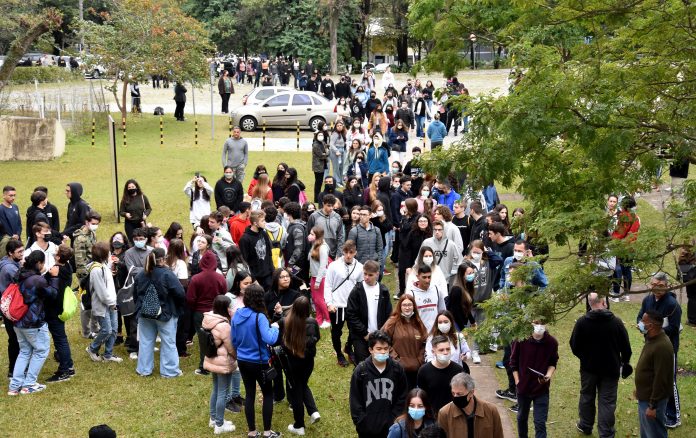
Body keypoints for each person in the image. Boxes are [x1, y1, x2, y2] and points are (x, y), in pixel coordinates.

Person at [570, 292, 632, 436]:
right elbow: (626, 348)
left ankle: (585, 425)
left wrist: (585, 358)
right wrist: (624, 361)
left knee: (587, 396)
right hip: (611, 369)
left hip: (588, 369)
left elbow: (574, 345)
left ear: (589, 303)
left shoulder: (582, 322)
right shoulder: (616, 322)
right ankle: (606, 433)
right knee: (607, 402)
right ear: (604, 302)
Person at [231, 284, 281, 438]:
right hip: (259, 361)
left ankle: (252, 432)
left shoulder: (237, 314)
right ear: (260, 299)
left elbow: (234, 340)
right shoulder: (259, 317)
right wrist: (276, 327)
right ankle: (267, 432)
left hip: (242, 360)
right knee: (267, 394)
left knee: (250, 394)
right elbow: (270, 339)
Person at [7, 251, 58, 395]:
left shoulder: (20, 273)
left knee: (24, 351)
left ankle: (14, 386)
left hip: (18, 320)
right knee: (41, 350)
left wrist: (45, 276)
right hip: (33, 322)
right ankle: (29, 384)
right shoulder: (36, 280)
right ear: (39, 263)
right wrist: (54, 277)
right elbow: (52, 294)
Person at [636, 272, 682, 428]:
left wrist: (656, 330)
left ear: (666, 286)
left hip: (667, 347)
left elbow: (674, 328)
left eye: (660, 286)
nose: (656, 289)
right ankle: (654, 406)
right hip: (650, 345)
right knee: (652, 377)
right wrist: (641, 326)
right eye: (653, 285)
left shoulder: (672, 305)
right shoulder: (647, 300)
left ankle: (674, 415)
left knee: (669, 381)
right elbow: (640, 316)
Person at [133, 248, 185, 377]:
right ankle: (169, 371)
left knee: (145, 341)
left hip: (145, 313)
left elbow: (135, 294)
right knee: (168, 342)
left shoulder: (141, 274)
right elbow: (180, 293)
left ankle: (144, 369)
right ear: (163, 258)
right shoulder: (167, 274)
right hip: (165, 314)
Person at [349, 330, 408, 438]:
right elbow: (355, 400)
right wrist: (362, 423)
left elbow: (402, 396)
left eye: (386, 349)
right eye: (379, 349)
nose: (383, 352)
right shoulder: (361, 371)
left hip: (391, 427)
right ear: (371, 350)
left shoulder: (397, 369)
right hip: (367, 429)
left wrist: (395, 419)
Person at [278, 296, 321, 435]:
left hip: (293, 362)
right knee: (303, 384)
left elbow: (281, 342)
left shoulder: (286, 322)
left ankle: (299, 425)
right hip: (308, 362)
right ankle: (313, 411)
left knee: (296, 391)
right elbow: (317, 338)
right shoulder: (313, 322)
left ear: (293, 308)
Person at [510, 319, 559, 437]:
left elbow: (553, 362)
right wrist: (517, 381)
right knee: (522, 418)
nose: (539, 326)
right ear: (531, 324)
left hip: (541, 389)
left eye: (542, 324)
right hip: (523, 388)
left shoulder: (552, 342)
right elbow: (513, 363)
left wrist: (548, 375)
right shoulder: (521, 340)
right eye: (536, 324)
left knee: (540, 422)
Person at [635, 309, 675, 438]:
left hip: (652, 401)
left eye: (643, 321)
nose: (640, 323)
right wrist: (640, 390)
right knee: (647, 433)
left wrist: (652, 406)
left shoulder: (662, 346)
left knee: (655, 433)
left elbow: (661, 379)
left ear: (651, 326)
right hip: (645, 396)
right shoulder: (652, 339)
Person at [324, 241, 364, 367]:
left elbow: (361, 286)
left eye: (351, 252)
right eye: (346, 252)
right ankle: (339, 354)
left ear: (355, 253)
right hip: (337, 305)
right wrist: (329, 303)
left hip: (352, 305)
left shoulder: (359, 267)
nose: (348, 255)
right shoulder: (334, 266)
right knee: (336, 331)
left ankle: (348, 347)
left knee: (354, 330)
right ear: (343, 251)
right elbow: (328, 285)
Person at [187, 251, 227, 375]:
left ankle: (204, 366)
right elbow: (224, 294)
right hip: (216, 313)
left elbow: (190, 298)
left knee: (203, 339)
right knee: (217, 339)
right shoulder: (220, 278)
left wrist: (194, 309)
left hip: (200, 313)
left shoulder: (196, 279)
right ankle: (216, 363)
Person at [203, 295, 238, 434]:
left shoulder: (209, 319)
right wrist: (237, 357)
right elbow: (231, 348)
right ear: (225, 308)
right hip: (223, 362)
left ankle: (213, 418)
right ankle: (219, 424)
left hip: (212, 359)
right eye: (229, 307)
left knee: (216, 389)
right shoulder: (224, 326)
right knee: (223, 392)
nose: (231, 309)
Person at [346, 260, 393, 363]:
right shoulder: (357, 291)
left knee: (380, 363)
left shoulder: (383, 291)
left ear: (377, 274)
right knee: (362, 365)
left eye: (370, 275)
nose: (366, 277)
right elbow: (351, 314)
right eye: (365, 274)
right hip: (360, 336)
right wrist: (364, 333)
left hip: (379, 335)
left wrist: (383, 331)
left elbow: (389, 314)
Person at [465, 240, 503, 363]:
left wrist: (487, 252)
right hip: (469, 303)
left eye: (479, 252)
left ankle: (475, 351)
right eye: (474, 251)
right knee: (465, 328)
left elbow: (499, 260)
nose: (476, 254)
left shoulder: (488, 263)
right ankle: (463, 351)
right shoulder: (465, 264)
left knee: (479, 327)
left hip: (484, 301)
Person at [85, 242, 123, 363]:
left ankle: (108, 354)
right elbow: (101, 291)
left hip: (112, 302)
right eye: (108, 252)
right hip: (103, 305)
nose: (110, 253)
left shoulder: (103, 265)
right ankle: (92, 348)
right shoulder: (96, 270)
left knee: (114, 329)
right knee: (107, 330)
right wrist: (111, 302)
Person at [438, 372, 505, 437]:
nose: (455, 397)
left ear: (471, 393)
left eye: (459, 394)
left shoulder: (491, 411)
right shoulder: (444, 413)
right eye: (453, 393)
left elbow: (498, 435)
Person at [382, 295, 428, 389]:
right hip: (397, 369)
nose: (407, 307)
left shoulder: (419, 323)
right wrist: (396, 359)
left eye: (410, 305)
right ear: (400, 307)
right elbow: (383, 341)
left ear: (414, 306)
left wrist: (419, 360)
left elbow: (425, 343)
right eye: (404, 305)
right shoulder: (392, 322)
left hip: (416, 369)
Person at [417, 335, 466, 413]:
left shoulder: (458, 370)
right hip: (433, 416)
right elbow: (422, 396)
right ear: (433, 352)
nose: (445, 352)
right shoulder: (424, 371)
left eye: (448, 349)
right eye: (441, 350)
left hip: (454, 414)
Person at [74, 210, 102, 339]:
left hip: (93, 271)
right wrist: (85, 280)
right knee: (86, 305)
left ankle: (95, 327)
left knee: (96, 301)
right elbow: (80, 262)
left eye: (97, 223)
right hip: (86, 275)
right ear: (87, 222)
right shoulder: (80, 239)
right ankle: (86, 331)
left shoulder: (92, 233)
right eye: (93, 223)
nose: (95, 225)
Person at [404, 265, 446, 333]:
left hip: (435, 333)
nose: (427, 280)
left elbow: (442, 311)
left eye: (429, 277)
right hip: (419, 333)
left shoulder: (437, 289)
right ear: (418, 277)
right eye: (424, 277)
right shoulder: (411, 293)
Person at [238, 210, 274, 290]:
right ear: (255, 223)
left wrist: (272, 271)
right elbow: (244, 262)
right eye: (262, 221)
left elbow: (269, 254)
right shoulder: (245, 239)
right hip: (256, 278)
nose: (265, 222)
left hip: (268, 275)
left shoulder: (264, 233)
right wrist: (254, 280)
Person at [420, 220, 462, 285]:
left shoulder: (451, 244)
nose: (437, 232)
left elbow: (458, 260)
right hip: (430, 279)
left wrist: (453, 271)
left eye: (439, 230)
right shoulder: (426, 242)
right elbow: (419, 259)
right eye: (435, 230)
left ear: (444, 230)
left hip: (446, 280)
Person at [307, 194, 345, 260]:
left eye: (332, 206)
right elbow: (308, 235)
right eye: (329, 205)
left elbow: (341, 236)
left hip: (333, 254)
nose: (331, 208)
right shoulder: (314, 216)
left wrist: (339, 254)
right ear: (323, 204)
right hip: (317, 253)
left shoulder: (337, 217)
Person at [307, 226, 331, 329]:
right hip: (314, 276)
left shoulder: (323, 247)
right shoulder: (314, 245)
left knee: (320, 300)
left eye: (312, 234)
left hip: (320, 278)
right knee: (316, 300)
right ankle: (319, 318)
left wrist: (317, 281)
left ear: (317, 235)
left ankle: (328, 319)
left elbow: (323, 266)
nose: (310, 236)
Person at [329, 120, 348, 184]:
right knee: (336, 167)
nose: (339, 127)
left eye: (340, 125)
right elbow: (331, 144)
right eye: (338, 126)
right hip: (335, 152)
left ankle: (341, 181)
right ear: (336, 127)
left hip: (342, 150)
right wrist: (336, 151)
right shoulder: (335, 133)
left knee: (341, 167)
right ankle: (336, 182)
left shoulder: (342, 133)